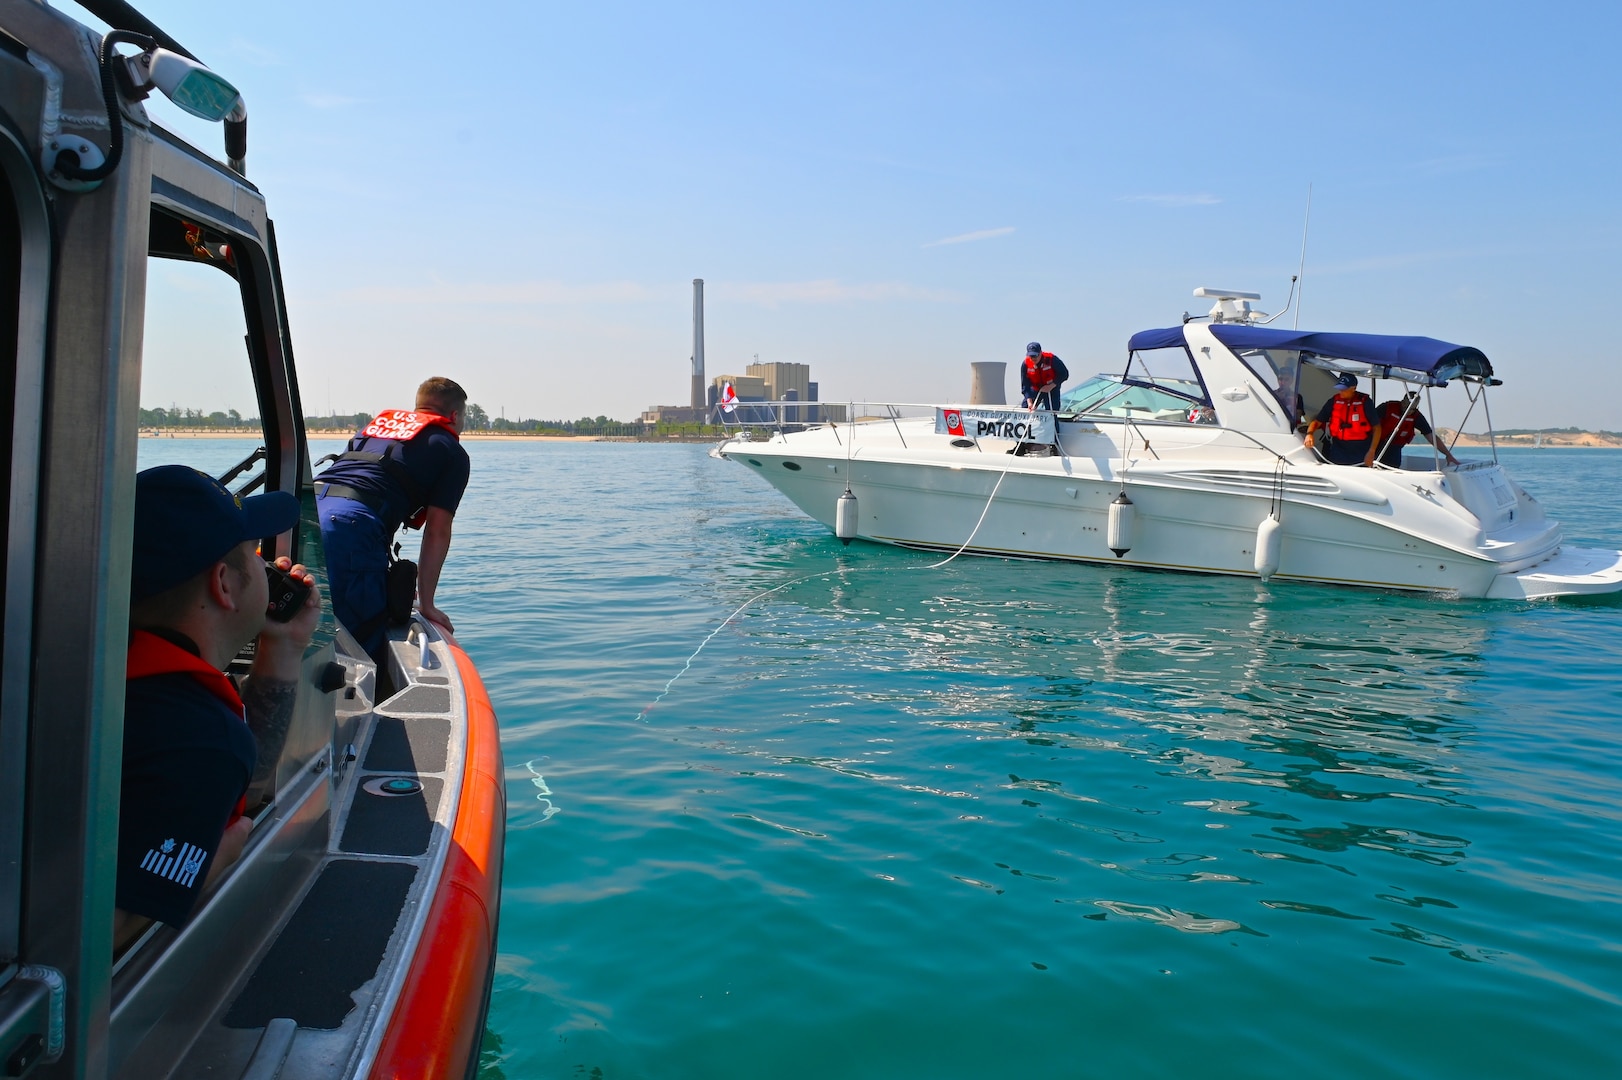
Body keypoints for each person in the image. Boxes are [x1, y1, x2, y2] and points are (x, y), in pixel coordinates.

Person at [118, 465, 319, 950]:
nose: (266, 563)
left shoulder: (93, 671)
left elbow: (225, 793)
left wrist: (284, 648)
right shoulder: (197, 737)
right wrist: (217, 857)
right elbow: (104, 931)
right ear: (224, 584)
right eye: (253, 552)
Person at [315, 377, 470, 659]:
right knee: (356, 645)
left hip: (305, 508)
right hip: (348, 525)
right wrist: (427, 604)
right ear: (455, 415)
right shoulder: (451, 451)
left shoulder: (373, 431)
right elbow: (437, 530)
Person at [1304, 373, 1382, 466]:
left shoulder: (1365, 402)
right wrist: (1309, 434)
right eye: (1340, 388)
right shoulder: (1334, 401)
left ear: (1353, 388)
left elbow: (1377, 428)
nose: (1341, 391)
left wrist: (1372, 451)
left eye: (1344, 389)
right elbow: (1317, 422)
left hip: (1361, 451)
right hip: (1338, 450)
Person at [1375, 391, 1459, 469]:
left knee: (1393, 465)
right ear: (1402, 402)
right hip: (1376, 443)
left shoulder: (1417, 417)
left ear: (1416, 407)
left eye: (1411, 409)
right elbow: (1371, 423)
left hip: (1394, 448)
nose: (1407, 411)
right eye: (1405, 406)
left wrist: (1448, 455)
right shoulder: (1386, 407)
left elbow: (1431, 437)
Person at [1020, 342, 1069, 414]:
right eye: (1031, 356)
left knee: (1052, 413)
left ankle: (1054, 424)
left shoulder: (1052, 359)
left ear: (1040, 353)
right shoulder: (1025, 364)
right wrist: (1029, 402)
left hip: (1052, 389)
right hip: (1035, 390)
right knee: (1025, 409)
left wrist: (1051, 385)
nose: (1033, 358)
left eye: (1035, 355)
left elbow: (1064, 374)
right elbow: (1025, 385)